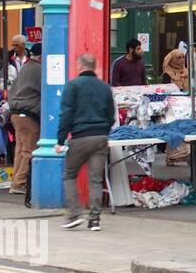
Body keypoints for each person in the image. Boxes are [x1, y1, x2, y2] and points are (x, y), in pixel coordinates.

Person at [56, 53, 115, 231]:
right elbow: (111, 115)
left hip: (80, 137)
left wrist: (60, 140)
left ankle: (74, 214)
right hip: (101, 137)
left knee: (69, 175)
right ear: (94, 66)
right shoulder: (105, 88)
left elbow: (66, 114)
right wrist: (104, 130)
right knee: (96, 180)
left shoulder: (72, 86)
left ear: (79, 66)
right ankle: (94, 220)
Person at [8, 42, 42, 206]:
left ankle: (15, 181)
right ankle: (20, 183)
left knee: (20, 150)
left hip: (15, 113)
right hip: (29, 114)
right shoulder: (39, 70)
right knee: (30, 150)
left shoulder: (25, 67)